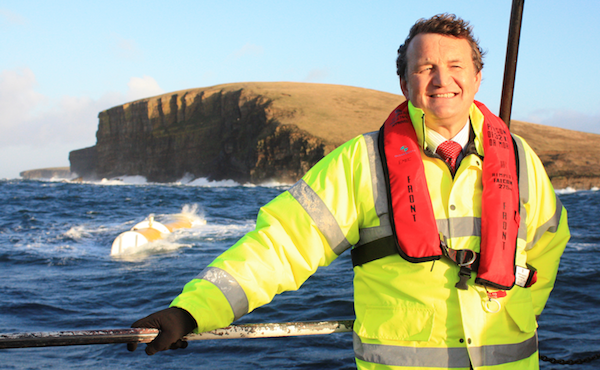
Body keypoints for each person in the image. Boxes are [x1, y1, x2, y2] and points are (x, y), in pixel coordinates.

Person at [128, 13, 569, 369]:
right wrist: (191, 312)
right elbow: (281, 246)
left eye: (456, 67)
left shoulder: (518, 157)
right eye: (426, 68)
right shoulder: (361, 161)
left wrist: (521, 309)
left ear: (476, 79)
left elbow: (549, 243)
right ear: (405, 84)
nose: (441, 80)